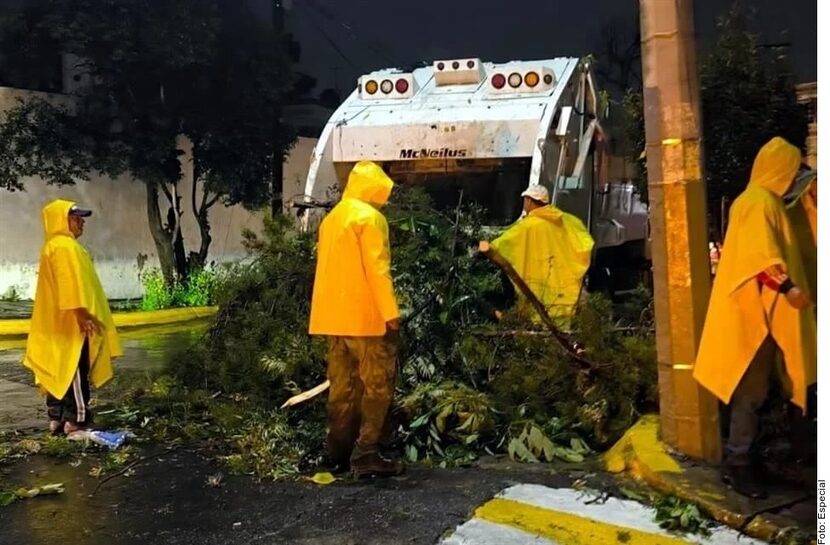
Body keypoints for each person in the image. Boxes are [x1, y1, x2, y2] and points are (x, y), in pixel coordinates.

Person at [694, 137, 817, 499]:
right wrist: (788, 288)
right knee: (750, 391)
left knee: (763, 390)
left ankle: (753, 462)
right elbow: (760, 257)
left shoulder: (769, 202)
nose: (798, 177)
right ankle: (739, 465)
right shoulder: (756, 202)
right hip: (754, 314)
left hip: (768, 313)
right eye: (795, 170)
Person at [308, 161, 403, 477]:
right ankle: (365, 454)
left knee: (343, 387)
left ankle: (336, 451)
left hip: (334, 320)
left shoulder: (332, 220)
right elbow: (377, 270)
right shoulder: (369, 217)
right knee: (377, 385)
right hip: (366, 320)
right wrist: (390, 313)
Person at [24, 200, 122, 435]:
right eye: (75, 217)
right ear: (60, 220)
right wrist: (80, 314)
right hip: (71, 325)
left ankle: (56, 419)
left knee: (58, 370)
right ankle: (76, 420)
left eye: (81, 217)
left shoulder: (53, 246)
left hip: (57, 324)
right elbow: (68, 285)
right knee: (74, 371)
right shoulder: (65, 247)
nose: (81, 222)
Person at [484, 184, 594, 329]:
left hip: (542, 295)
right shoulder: (568, 220)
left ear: (529, 201)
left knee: (544, 331)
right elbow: (586, 245)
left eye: (525, 199)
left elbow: (501, 246)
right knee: (566, 336)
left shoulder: (527, 227)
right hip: (568, 292)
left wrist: (481, 247)